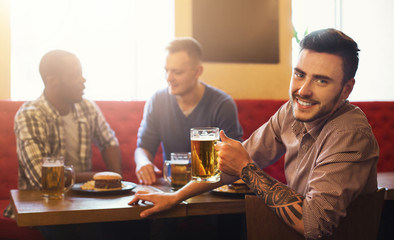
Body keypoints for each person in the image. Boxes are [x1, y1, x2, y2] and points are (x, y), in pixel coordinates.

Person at [129, 29, 379, 239]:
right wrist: (175, 197)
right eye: (299, 74)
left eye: (321, 81)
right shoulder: (291, 112)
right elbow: (231, 163)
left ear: (347, 88)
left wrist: (246, 168)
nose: (303, 90)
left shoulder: (350, 133)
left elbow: (314, 227)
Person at [3, 50, 123, 239]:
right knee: (68, 226)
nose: (83, 80)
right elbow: (44, 178)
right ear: (53, 81)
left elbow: (109, 142)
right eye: (75, 74)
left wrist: (118, 180)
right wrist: (97, 178)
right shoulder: (30, 114)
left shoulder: (87, 107)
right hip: (41, 202)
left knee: (131, 222)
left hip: (84, 199)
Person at [135, 37, 243, 185]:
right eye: (166, 70)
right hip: (173, 186)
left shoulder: (222, 104)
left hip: (211, 189)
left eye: (177, 72)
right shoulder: (157, 100)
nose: (168, 78)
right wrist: (142, 163)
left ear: (197, 71)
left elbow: (235, 158)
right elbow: (143, 147)